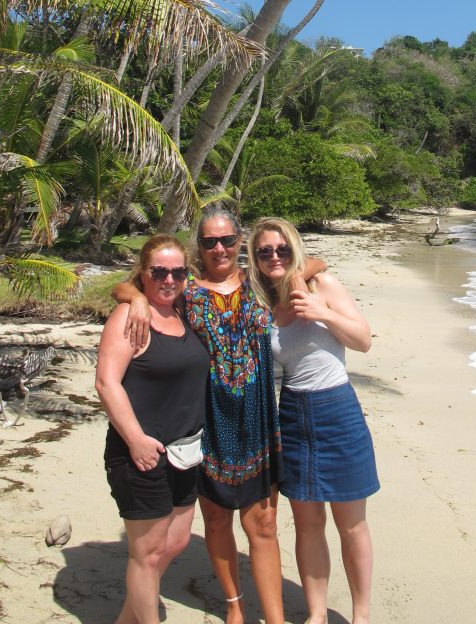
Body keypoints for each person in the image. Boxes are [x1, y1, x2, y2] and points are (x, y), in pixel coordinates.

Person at [113, 204, 324, 624]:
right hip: (207, 420)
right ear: (199, 246)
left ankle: (276, 619)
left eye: (227, 239)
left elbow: (312, 260)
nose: (219, 248)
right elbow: (125, 285)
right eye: (209, 241)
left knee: (263, 525)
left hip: (258, 419)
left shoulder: (261, 281)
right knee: (215, 519)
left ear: (239, 241)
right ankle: (235, 606)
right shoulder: (185, 286)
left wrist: (300, 273)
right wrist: (136, 297)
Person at [248, 217, 379, 624]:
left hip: (337, 408)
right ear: (254, 257)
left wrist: (325, 314)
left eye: (282, 249)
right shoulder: (261, 301)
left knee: (351, 523)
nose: (274, 256)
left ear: (294, 249)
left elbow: (363, 340)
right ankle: (317, 614)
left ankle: (360, 615)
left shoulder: (323, 285)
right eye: (265, 250)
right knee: (307, 523)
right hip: (292, 412)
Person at [95, 235, 209, 624]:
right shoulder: (130, 316)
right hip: (140, 453)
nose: (168, 279)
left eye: (177, 271)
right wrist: (136, 439)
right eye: (159, 271)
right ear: (143, 273)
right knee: (146, 554)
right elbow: (107, 384)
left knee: (174, 542)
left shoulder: (183, 311)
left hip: (185, 451)